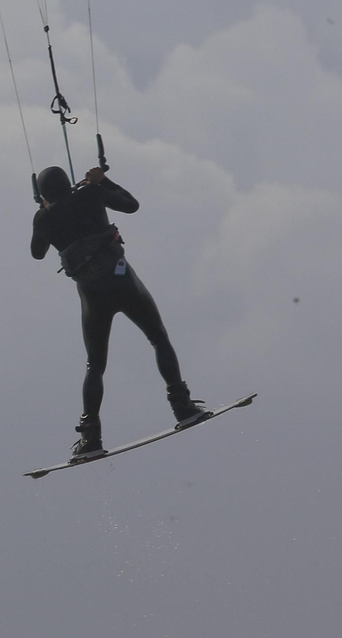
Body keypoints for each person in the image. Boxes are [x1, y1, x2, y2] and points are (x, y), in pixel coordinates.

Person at [30, 164, 206, 458]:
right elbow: (131, 205)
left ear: (44, 194)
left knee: (95, 365)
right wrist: (103, 181)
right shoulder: (89, 193)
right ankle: (182, 406)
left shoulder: (44, 217)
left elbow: (37, 253)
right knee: (158, 338)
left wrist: (45, 213)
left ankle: (90, 438)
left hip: (92, 294)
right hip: (123, 281)